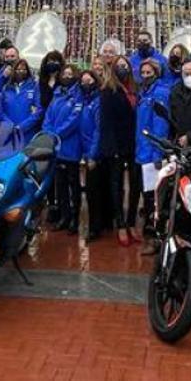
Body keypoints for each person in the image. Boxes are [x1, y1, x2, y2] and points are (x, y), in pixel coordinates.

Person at [97, 59, 140, 246]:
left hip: (134, 143)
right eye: (119, 66)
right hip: (116, 144)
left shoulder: (135, 89)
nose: (123, 69)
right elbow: (106, 122)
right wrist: (111, 147)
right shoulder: (108, 90)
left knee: (136, 183)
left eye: (125, 66)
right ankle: (120, 223)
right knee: (116, 185)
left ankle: (131, 221)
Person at [135, 59, 173, 255]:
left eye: (150, 72)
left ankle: (156, 236)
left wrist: (157, 152)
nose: (146, 75)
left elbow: (160, 125)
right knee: (148, 197)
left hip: (152, 153)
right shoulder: (144, 93)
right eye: (143, 72)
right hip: (142, 151)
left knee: (155, 199)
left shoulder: (160, 92)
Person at [43, 63, 82, 233]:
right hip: (56, 147)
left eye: (70, 74)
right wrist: (48, 133)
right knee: (60, 184)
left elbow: (74, 119)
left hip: (71, 146)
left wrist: (56, 134)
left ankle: (75, 217)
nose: (67, 76)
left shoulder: (78, 95)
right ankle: (64, 216)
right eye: (64, 74)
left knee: (74, 184)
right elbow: (48, 116)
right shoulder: (57, 94)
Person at [77, 69, 105, 241]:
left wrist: (93, 154)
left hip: (93, 153)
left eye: (89, 81)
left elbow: (98, 130)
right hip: (83, 150)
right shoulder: (82, 99)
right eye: (83, 81)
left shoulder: (98, 102)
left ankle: (96, 227)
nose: (85, 84)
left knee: (94, 192)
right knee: (90, 190)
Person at [0, 58, 42, 135]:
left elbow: (39, 110)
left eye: (24, 69)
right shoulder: (6, 88)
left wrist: (22, 126)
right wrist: (9, 125)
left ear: (28, 71)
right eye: (18, 69)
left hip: (27, 133)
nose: (21, 71)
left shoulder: (34, 87)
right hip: (7, 131)